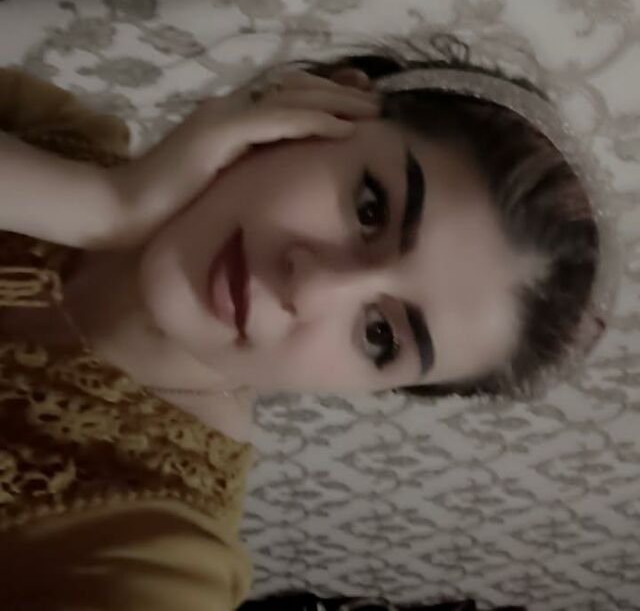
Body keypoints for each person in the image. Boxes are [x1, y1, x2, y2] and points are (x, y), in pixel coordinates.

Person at [0, 35, 610, 610]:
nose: (314, 286)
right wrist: (100, 203)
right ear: (320, 101)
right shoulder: (52, 132)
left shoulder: (160, 547)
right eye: (370, 208)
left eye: (380, 335)